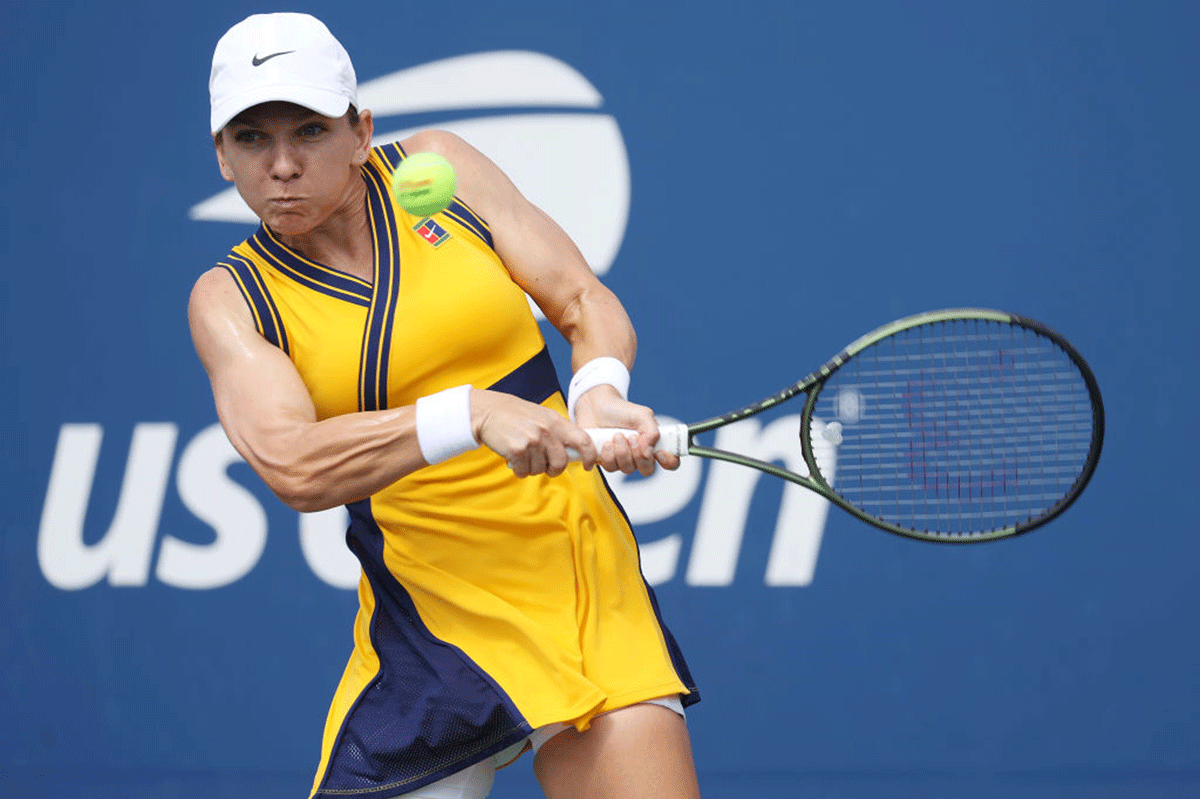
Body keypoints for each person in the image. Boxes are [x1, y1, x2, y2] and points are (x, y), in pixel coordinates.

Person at [189, 12, 701, 799]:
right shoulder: (233, 299)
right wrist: (468, 412)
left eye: (311, 132)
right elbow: (292, 463)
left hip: (574, 572)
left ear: (362, 132)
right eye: (252, 138)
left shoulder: (438, 170)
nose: (283, 164)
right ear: (222, 154)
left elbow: (580, 297)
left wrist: (600, 385)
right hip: (427, 625)